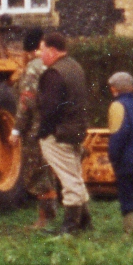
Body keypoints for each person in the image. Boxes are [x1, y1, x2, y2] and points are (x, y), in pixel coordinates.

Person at [34, 30, 91, 236]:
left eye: (41, 49)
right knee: (74, 175)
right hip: (75, 130)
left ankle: (70, 227)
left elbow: (50, 109)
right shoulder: (75, 67)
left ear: (51, 50)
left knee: (68, 180)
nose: (39, 54)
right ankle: (84, 221)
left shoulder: (53, 74)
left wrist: (41, 132)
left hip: (59, 134)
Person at [8, 29, 58, 229]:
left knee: (37, 173)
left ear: (29, 50)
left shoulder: (32, 69)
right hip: (53, 126)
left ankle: (44, 219)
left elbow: (26, 102)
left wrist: (16, 130)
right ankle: (53, 214)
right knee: (48, 171)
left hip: (35, 129)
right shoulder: (53, 66)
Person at [106, 71, 133, 233]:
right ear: (132, 87)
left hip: (125, 156)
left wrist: (113, 156)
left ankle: (130, 229)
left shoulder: (117, 106)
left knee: (126, 192)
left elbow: (117, 135)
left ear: (114, 88)